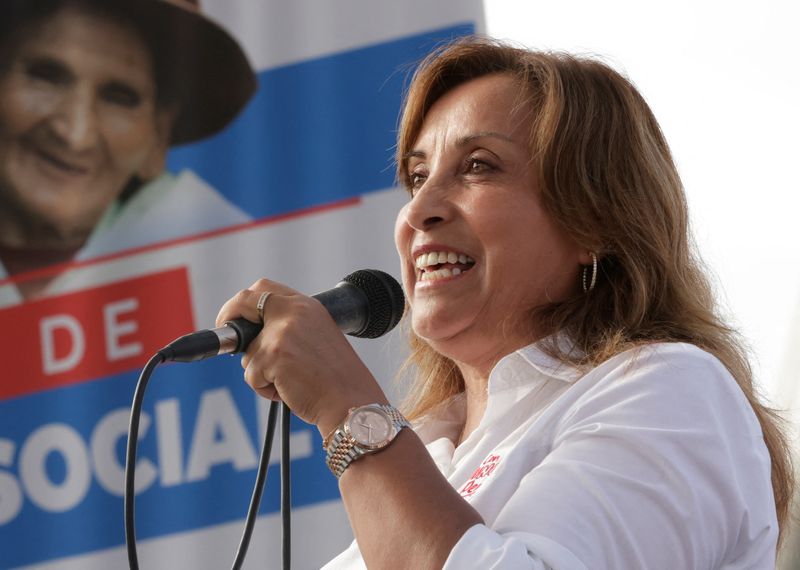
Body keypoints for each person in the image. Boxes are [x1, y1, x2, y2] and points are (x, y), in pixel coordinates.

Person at [216, 37, 793, 569]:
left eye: (477, 166)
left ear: (594, 221)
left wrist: (349, 409)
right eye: (417, 177)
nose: (419, 211)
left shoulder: (671, 389)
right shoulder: (428, 446)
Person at [0, 0, 256, 302]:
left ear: (158, 136)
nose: (76, 135)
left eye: (119, 97)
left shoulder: (230, 265)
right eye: (47, 75)